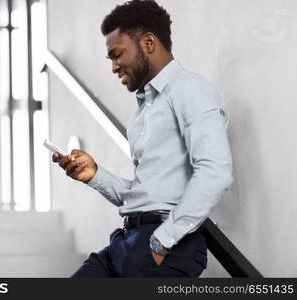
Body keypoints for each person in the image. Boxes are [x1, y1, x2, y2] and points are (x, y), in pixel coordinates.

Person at [52, 0, 233, 277]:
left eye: (117, 55)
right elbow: (147, 194)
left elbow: (215, 172)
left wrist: (162, 241)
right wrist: (95, 175)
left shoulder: (190, 90)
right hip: (125, 240)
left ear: (148, 43)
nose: (113, 67)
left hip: (166, 244)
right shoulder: (140, 114)